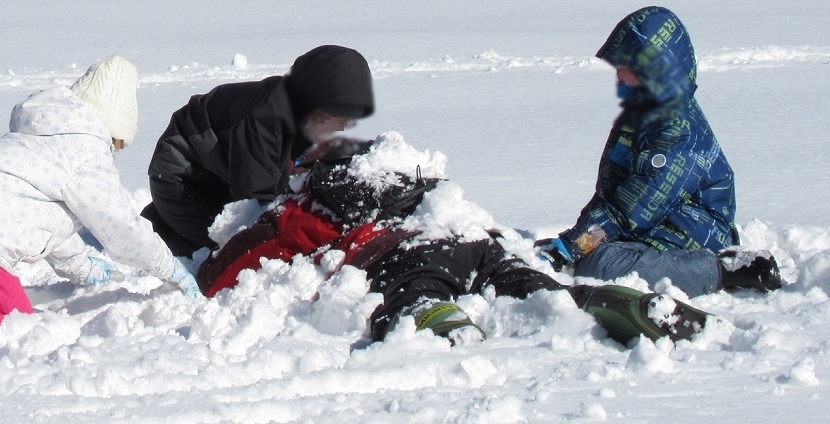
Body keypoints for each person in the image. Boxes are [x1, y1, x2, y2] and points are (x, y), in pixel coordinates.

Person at [200, 138, 711, 347]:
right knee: (531, 286)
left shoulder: (305, 205)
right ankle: (619, 302)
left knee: (418, 291)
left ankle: (439, 318)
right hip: (471, 234)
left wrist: (206, 272)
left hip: (405, 255)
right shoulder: (404, 177)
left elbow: (229, 269)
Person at [0, 56, 202, 321]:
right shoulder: (84, 154)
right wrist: (169, 267)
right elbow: (122, 227)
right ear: (110, 126)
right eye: (115, 144)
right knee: (7, 314)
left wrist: (83, 269)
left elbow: (51, 223)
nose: (112, 153)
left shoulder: (42, 141)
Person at [538, 6, 781, 297]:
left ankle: (727, 270)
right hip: (653, 227)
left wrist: (576, 246)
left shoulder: (678, 132)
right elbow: (610, 194)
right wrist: (571, 242)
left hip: (693, 234)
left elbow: (633, 209)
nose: (618, 77)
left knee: (601, 266)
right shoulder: (638, 119)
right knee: (583, 253)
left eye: (625, 68)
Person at [143, 45, 375, 256]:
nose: (343, 124)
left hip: (214, 174)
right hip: (181, 178)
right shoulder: (263, 120)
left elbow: (292, 169)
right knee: (230, 249)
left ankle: (158, 224)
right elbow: (254, 200)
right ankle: (154, 239)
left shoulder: (300, 113)